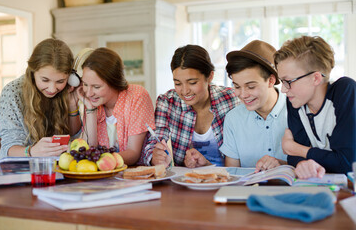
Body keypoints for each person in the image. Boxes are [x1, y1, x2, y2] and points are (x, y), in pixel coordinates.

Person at [141, 45, 239, 168]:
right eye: (178, 83)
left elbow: (243, 153)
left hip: (227, 179)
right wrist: (155, 157)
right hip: (186, 181)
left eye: (192, 83)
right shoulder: (167, 102)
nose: (185, 91)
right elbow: (153, 144)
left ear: (210, 76)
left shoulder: (231, 99)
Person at [274, 35, 356, 175]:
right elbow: (294, 159)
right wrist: (303, 160)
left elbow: (347, 163)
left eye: (288, 81)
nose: (283, 89)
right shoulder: (296, 100)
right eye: (282, 81)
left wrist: (295, 148)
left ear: (315, 78)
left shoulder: (345, 90)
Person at [0, 38, 80, 161]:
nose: (52, 89)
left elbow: (73, 135)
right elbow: (8, 148)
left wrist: (72, 105)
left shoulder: (68, 90)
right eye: (45, 80)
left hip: (54, 168)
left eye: (60, 81)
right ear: (32, 72)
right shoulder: (12, 92)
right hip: (16, 169)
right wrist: (32, 151)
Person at [76, 47, 155, 166]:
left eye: (96, 87)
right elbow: (89, 148)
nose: (88, 93)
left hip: (136, 177)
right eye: (85, 84)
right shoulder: (93, 101)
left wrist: (98, 161)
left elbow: (133, 154)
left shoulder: (137, 96)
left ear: (114, 81)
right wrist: (90, 109)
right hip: (106, 177)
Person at [220, 40, 287, 172]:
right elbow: (232, 174)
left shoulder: (298, 112)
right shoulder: (233, 119)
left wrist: (282, 165)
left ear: (271, 81)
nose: (243, 95)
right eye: (237, 86)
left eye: (251, 86)